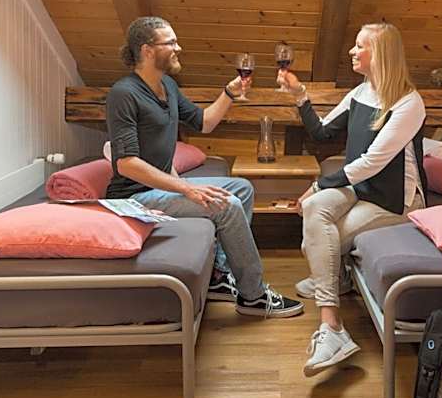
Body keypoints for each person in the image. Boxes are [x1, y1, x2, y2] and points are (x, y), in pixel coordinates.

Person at [106, 16, 303, 318]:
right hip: (135, 197)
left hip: (160, 188)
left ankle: (217, 276)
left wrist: (229, 93)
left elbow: (205, 123)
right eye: (171, 42)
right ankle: (253, 296)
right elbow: (127, 164)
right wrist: (187, 188)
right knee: (227, 204)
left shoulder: (167, 86)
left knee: (242, 188)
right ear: (147, 50)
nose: (178, 48)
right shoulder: (124, 94)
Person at [276, 22, 427, 374]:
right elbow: (322, 132)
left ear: (381, 54)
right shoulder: (361, 92)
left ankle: (332, 325)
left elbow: (372, 161)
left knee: (316, 243)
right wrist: (300, 95)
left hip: (393, 201)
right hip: (360, 188)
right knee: (315, 214)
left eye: (360, 46)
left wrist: (318, 185)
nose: (352, 51)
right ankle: (337, 293)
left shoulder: (408, 103)